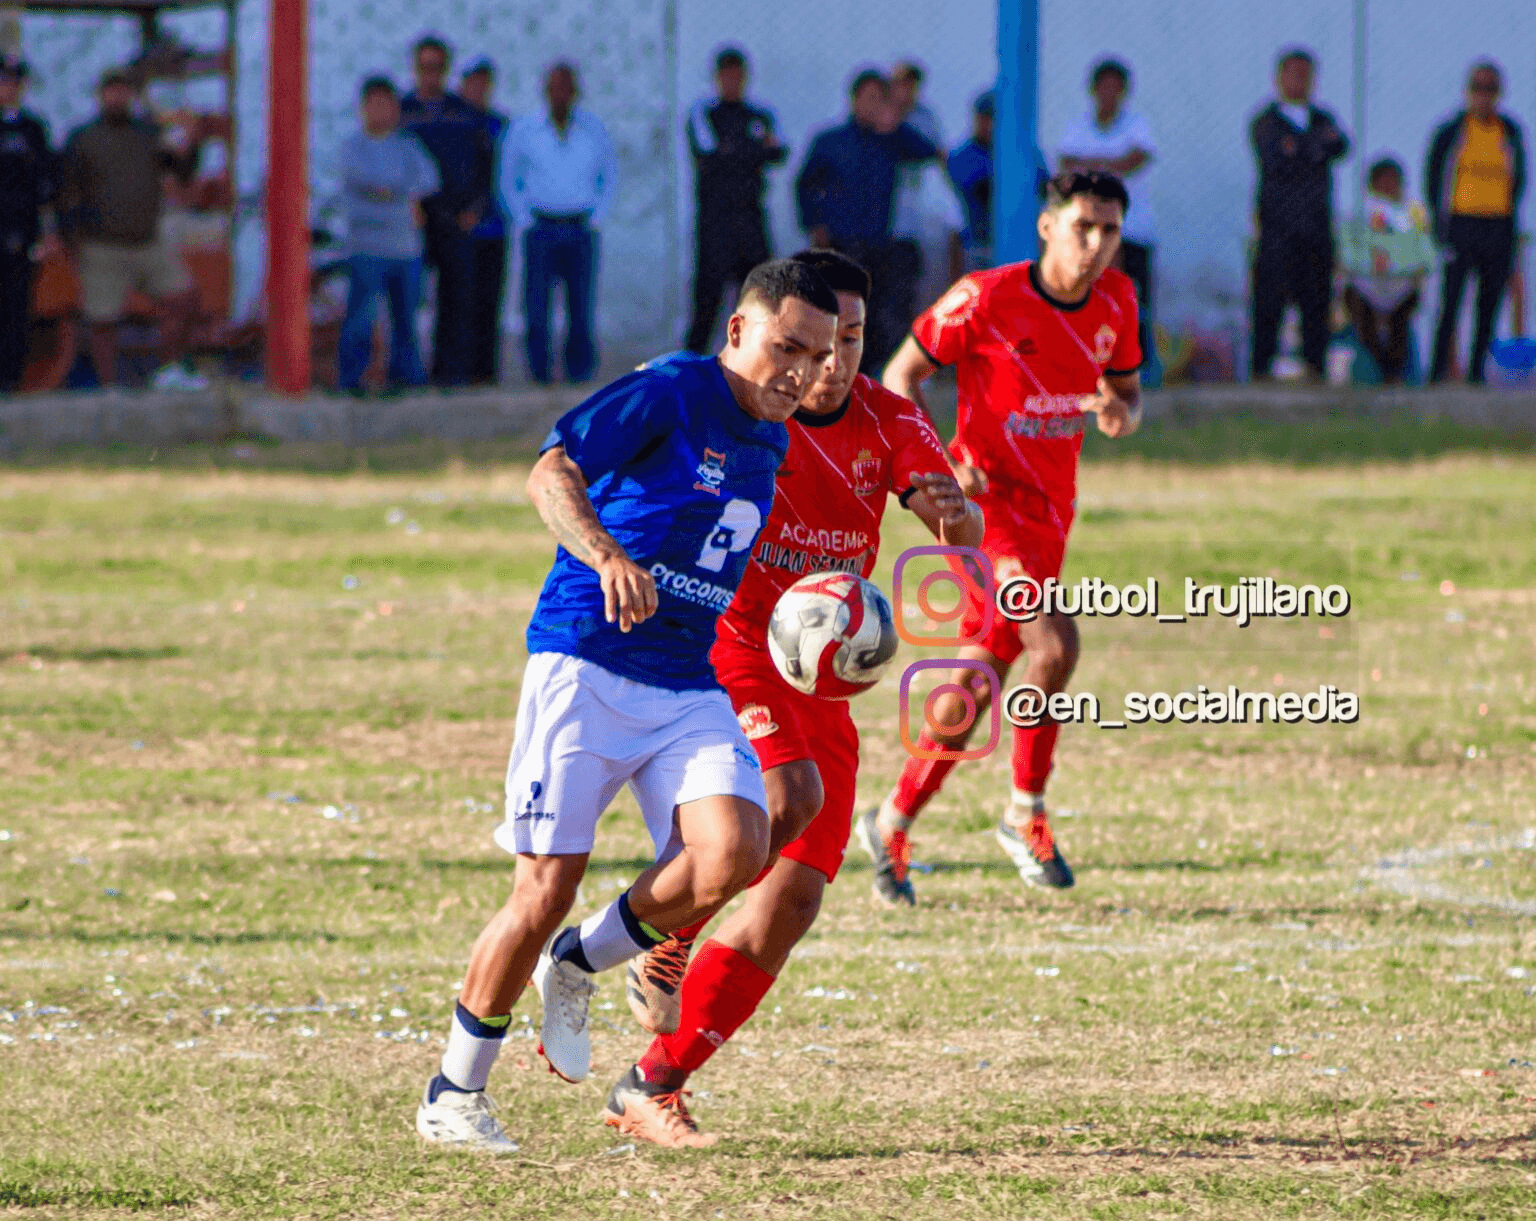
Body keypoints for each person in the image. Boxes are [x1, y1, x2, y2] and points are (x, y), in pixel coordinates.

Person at [413, 260, 839, 1152]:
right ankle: (452, 1093)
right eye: (785, 346)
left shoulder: (775, 438)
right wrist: (607, 555)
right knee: (541, 888)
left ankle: (581, 958)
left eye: (818, 355)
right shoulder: (674, 391)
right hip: (586, 659)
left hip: (688, 679)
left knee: (737, 846)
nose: (799, 371)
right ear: (737, 330)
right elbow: (549, 471)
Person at [605, 249, 982, 1148]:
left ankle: (651, 1083)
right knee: (785, 798)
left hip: (821, 678)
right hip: (732, 647)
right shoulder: (741, 411)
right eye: (820, 344)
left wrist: (949, 510)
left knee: (793, 902)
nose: (835, 363)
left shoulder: (891, 423)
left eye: (853, 341)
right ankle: (665, 928)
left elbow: (958, 526)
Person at [864, 171, 1142, 905]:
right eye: (1083, 226)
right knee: (1054, 645)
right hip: (986, 517)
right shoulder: (986, 297)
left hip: (1052, 514)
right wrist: (942, 463)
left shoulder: (1118, 299)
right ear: (1048, 226)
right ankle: (1025, 812)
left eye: (1109, 231)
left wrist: (1121, 412)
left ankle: (892, 818)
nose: (1096, 245)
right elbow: (900, 375)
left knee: (977, 678)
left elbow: (1127, 393)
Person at [58, 67, 205, 391]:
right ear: (101, 95)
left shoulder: (149, 134)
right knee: (103, 319)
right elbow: (65, 193)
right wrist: (71, 242)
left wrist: (193, 142)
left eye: (123, 91)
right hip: (101, 244)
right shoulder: (83, 139)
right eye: (112, 90)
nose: (118, 97)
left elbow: (182, 172)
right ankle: (108, 386)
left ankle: (168, 371)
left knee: (184, 297)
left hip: (147, 242)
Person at [795, 69, 938, 374]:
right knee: (838, 312)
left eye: (879, 99)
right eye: (868, 98)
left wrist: (896, 125)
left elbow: (928, 151)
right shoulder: (830, 141)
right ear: (854, 100)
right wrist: (814, 225)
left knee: (879, 316)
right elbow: (805, 184)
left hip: (881, 244)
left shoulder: (892, 141)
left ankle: (874, 377)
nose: (873, 105)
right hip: (842, 244)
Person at [502, 62, 617, 385]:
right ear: (545, 91)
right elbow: (509, 179)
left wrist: (596, 216)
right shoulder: (525, 130)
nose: (561, 95)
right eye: (555, 88)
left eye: (567, 88)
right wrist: (524, 219)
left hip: (580, 227)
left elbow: (608, 176)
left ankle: (579, 375)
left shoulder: (594, 130)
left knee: (581, 308)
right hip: (541, 227)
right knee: (536, 308)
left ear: (576, 93)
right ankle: (539, 375)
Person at [1248, 47, 1349, 381]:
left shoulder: (1323, 118)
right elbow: (1278, 156)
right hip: (1277, 228)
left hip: (1316, 226)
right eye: (1292, 74)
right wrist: (1312, 147)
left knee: (1316, 299)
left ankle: (1315, 368)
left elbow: (1340, 146)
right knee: (1270, 301)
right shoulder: (1265, 121)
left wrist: (1302, 147)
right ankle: (1261, 369)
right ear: (1278, 79)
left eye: (1305, 75)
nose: (1299, 81)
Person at [1426, 61, 1528, 385]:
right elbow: (1434, 174)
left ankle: (1476, 371)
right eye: (1478, 89)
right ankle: (1437, 370)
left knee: (1490, 301)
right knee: (1452, 300)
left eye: (1491, 89)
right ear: (1468, 92)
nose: (1484, 96)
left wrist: (1510, 219)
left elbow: (1519, 178)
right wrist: (1438, 221)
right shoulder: (1453, 131)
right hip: (1462, 223)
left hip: (1497, 224)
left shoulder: (1509, 131)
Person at [336, 76, 439, 394]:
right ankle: (353, 379)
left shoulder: (408, 146)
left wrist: (391, 190)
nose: (381, 111)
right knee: (362, 318)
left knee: (406, 318)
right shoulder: (352, 148)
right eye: (374, 104)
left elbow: (429, 180)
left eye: (387, 104)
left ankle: (406, 377)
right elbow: (367, 185)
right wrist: (399, 192)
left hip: (405, 248)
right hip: (367, 246)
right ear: (363, 108)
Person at [683, 47, 786, 355]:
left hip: (751, 220)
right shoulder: (703, 114)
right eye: (726, 75)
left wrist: (738, 151)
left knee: (760, 298)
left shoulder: (760, 116)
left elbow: (778, 152)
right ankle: (694, 364)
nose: (732, 81)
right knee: (707, 300)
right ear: (716, 78)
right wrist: (752, 151)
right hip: (715, 223)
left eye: (737, 75)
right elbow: (708, 153)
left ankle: (758, 362)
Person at [1058, 58, 1158, 378]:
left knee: (1133, 299)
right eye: (1104, 86)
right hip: (1090, 233)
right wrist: (1109, 165)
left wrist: (1094, 167)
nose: (1109, 93)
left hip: (1134, 229)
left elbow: (1137, 158)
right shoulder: (1078, 125)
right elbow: (1066, 162)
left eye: (1116, 87)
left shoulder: (1136, 124)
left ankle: (1136, 362)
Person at [401, 35, 489, 388]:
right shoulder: (404, 113)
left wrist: (475, 210)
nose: (430, 74)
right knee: (406, 300)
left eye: (437, 67)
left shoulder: (464, 114)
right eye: (425, 67)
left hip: (457, 220)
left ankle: (450, 374)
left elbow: (485, 167)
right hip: (415, 221)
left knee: (456, 300)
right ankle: (407, 372)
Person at [1338, 158, 1437, 384]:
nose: (1388, 188)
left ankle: (1395, 373)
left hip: (1400, 286)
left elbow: (1426, 256)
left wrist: (1399, 266)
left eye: (1393, 182)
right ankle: (1380, 368)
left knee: (1400, 320)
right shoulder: (1357, 215)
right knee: (1362, 315)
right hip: (1366, 285)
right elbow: (1346, 253)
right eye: (1383, 183)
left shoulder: (1413, 216)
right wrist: (1371, 264)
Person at [888, 62, 961, 323]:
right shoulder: (884, 115)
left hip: (916, 210)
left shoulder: (924, 117)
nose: (906, 91)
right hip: (888, 209)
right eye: (901, 85)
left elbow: (934, 153)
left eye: (912, 86)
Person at [0, 56, 53, 393]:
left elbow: (45, 185)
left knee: (17, 308)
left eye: (13, 82)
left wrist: (47, 233)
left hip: (22, 235)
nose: (8, 88)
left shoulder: (33, 129)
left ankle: (11, 379)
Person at [459, 59, 509, 386]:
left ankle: (485, 372)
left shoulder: (500, 124)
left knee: (489, 302)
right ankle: (457, 370)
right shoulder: (455, 121)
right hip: (460, 229)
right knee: (460, 302)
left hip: (494, 226)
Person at [949, 91, 994, 273]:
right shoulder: (962, 155)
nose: (986, 124)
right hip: (973, 242)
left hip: (1011, 241)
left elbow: (1042, 186)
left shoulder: (1019, 154)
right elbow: (979, 190)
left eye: (991, 118)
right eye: (982, 118)